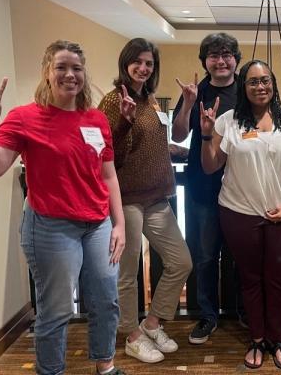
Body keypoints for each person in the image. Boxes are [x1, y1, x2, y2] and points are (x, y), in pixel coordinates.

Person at [0, 40, 126, 375]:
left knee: (106, 300)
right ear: (47, 72)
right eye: (61, 67)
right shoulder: (25, 117)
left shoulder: (96, 119)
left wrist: (119, 225)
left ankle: (106, 366)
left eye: (76, 68)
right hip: (51, 227)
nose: (69, 75)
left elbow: (108, 175)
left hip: (97, 224)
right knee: (56, 310)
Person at [200, 60, 281, 369]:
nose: (260, 86)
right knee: (250, 279)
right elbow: (211, 166)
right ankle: (257, 339)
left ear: (273, 84)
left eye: (265, 80)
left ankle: (278, 339)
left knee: (280, 281)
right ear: (243, 86)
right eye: (252, 82)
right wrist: (207, 135)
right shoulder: (228, 121)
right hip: (239, 212)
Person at [98, 38, 192, 363]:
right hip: (125, 200)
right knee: (128, 272)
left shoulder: (148, 98)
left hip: (156, 198)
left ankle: (152, 323)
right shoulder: (112, 101)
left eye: (149, 63)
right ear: (125, 63)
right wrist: (123, 121)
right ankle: (131, 335)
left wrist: (183, 151)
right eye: (137, 61)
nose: (143, 67)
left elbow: (155, 144)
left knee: (181, 261)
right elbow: (106, 152)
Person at [171, 32, 245, 343]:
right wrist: (188, 105)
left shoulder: (248, 88)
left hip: (244, 189)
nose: (221, 60)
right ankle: (208, 316)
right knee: (204, 256)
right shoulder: (195, 91)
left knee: (241, 255)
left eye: (227, 54)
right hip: (203, 189)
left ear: (235, 59)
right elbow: (176, 134)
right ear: (205, 61)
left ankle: (243, 312)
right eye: (214, 55)